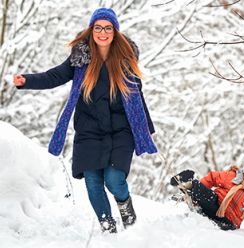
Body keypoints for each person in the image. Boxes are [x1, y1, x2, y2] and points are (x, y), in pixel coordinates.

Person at [13, 7, 157, 233]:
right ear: (91, 30)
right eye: (98, 27)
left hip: (122, 131)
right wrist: (26, 81)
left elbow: (137, 97)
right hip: (89, 131)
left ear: (115, 31)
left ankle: (125, 207)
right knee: (93, 184)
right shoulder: (80, 58)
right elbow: (55, 76)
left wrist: (143, 129)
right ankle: (108, 227)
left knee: (114, 179)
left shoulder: (126, 58)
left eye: (108, 28)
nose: (103, 32)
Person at [170, 153, 244, 239]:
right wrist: (199, 189)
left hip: (229, 222)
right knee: (203, 192)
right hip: (215, 204)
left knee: (227, 226)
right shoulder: (231, 177)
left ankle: (197, 204)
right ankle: (189, 185)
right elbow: (211, 178)